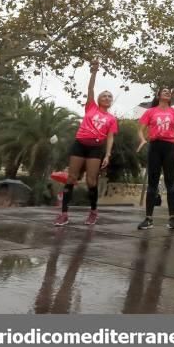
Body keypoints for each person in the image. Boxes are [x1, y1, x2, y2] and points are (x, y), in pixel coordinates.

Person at [54, 60, 117, 227]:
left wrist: (108, 154)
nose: (107, 97)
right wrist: (94, 72)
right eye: (104, 95)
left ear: (111, 101)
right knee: (71, 178)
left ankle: (93, 212)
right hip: (80, 144)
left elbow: (110, 137)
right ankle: (64, 214)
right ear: (98, 99)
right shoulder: (91, 107)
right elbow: (90, 89)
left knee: (91, 181)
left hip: (96, 148)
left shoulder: (111, 119)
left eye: (110, 96)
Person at [136, 87, 174, 231]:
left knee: (170, 183)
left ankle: (172, 218)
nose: (167, 92)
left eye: (169, 91)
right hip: (154, 147)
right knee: (152, 183)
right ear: (158, 95)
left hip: (169, 147)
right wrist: (143, 139)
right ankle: (148, 218)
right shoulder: (150, 112)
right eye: (164, 91)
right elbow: (140, 129)